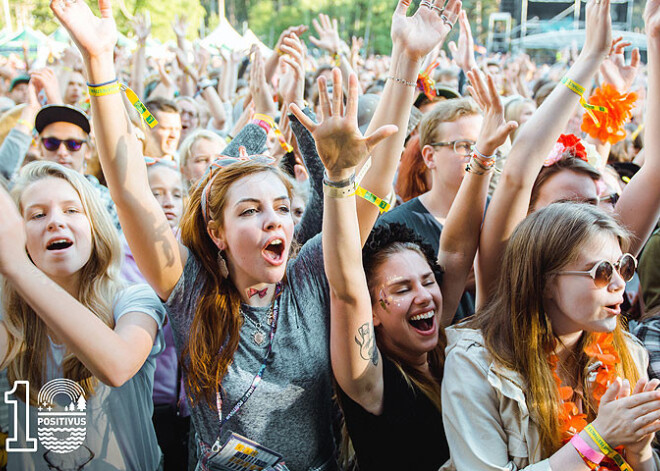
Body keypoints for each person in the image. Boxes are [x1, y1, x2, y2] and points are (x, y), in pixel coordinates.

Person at [312, 61, 515, 469]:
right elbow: (345, 287)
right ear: (372, 310)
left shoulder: (442, 347)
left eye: (427, 281)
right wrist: (337, 181)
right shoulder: (370, 380)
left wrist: (484, 156)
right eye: (402, 289)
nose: (424, 296)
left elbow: (456, 251)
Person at [442, 202, 660, 471]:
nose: (619, 284)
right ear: (544, 282)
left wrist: (640, 453)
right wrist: (596, 439)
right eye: (602, 271)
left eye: (624, 267)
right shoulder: (475, 365)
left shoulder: (629, 352)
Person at [477, 0, 660, 302]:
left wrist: (655, 39)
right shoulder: (509, 285)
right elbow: (517, 172)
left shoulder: (608, 265)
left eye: (594, 203)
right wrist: (590, 57)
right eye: (568, 205)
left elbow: (655, 171)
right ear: (528, 215)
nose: (589, 218)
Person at [0, 161, 165, 470]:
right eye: (37, 215)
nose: (55, 222)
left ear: (95, 226)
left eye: (72, 211)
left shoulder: (133, 299)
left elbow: (117, 366)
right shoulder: (9, 316)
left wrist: (18, 268)